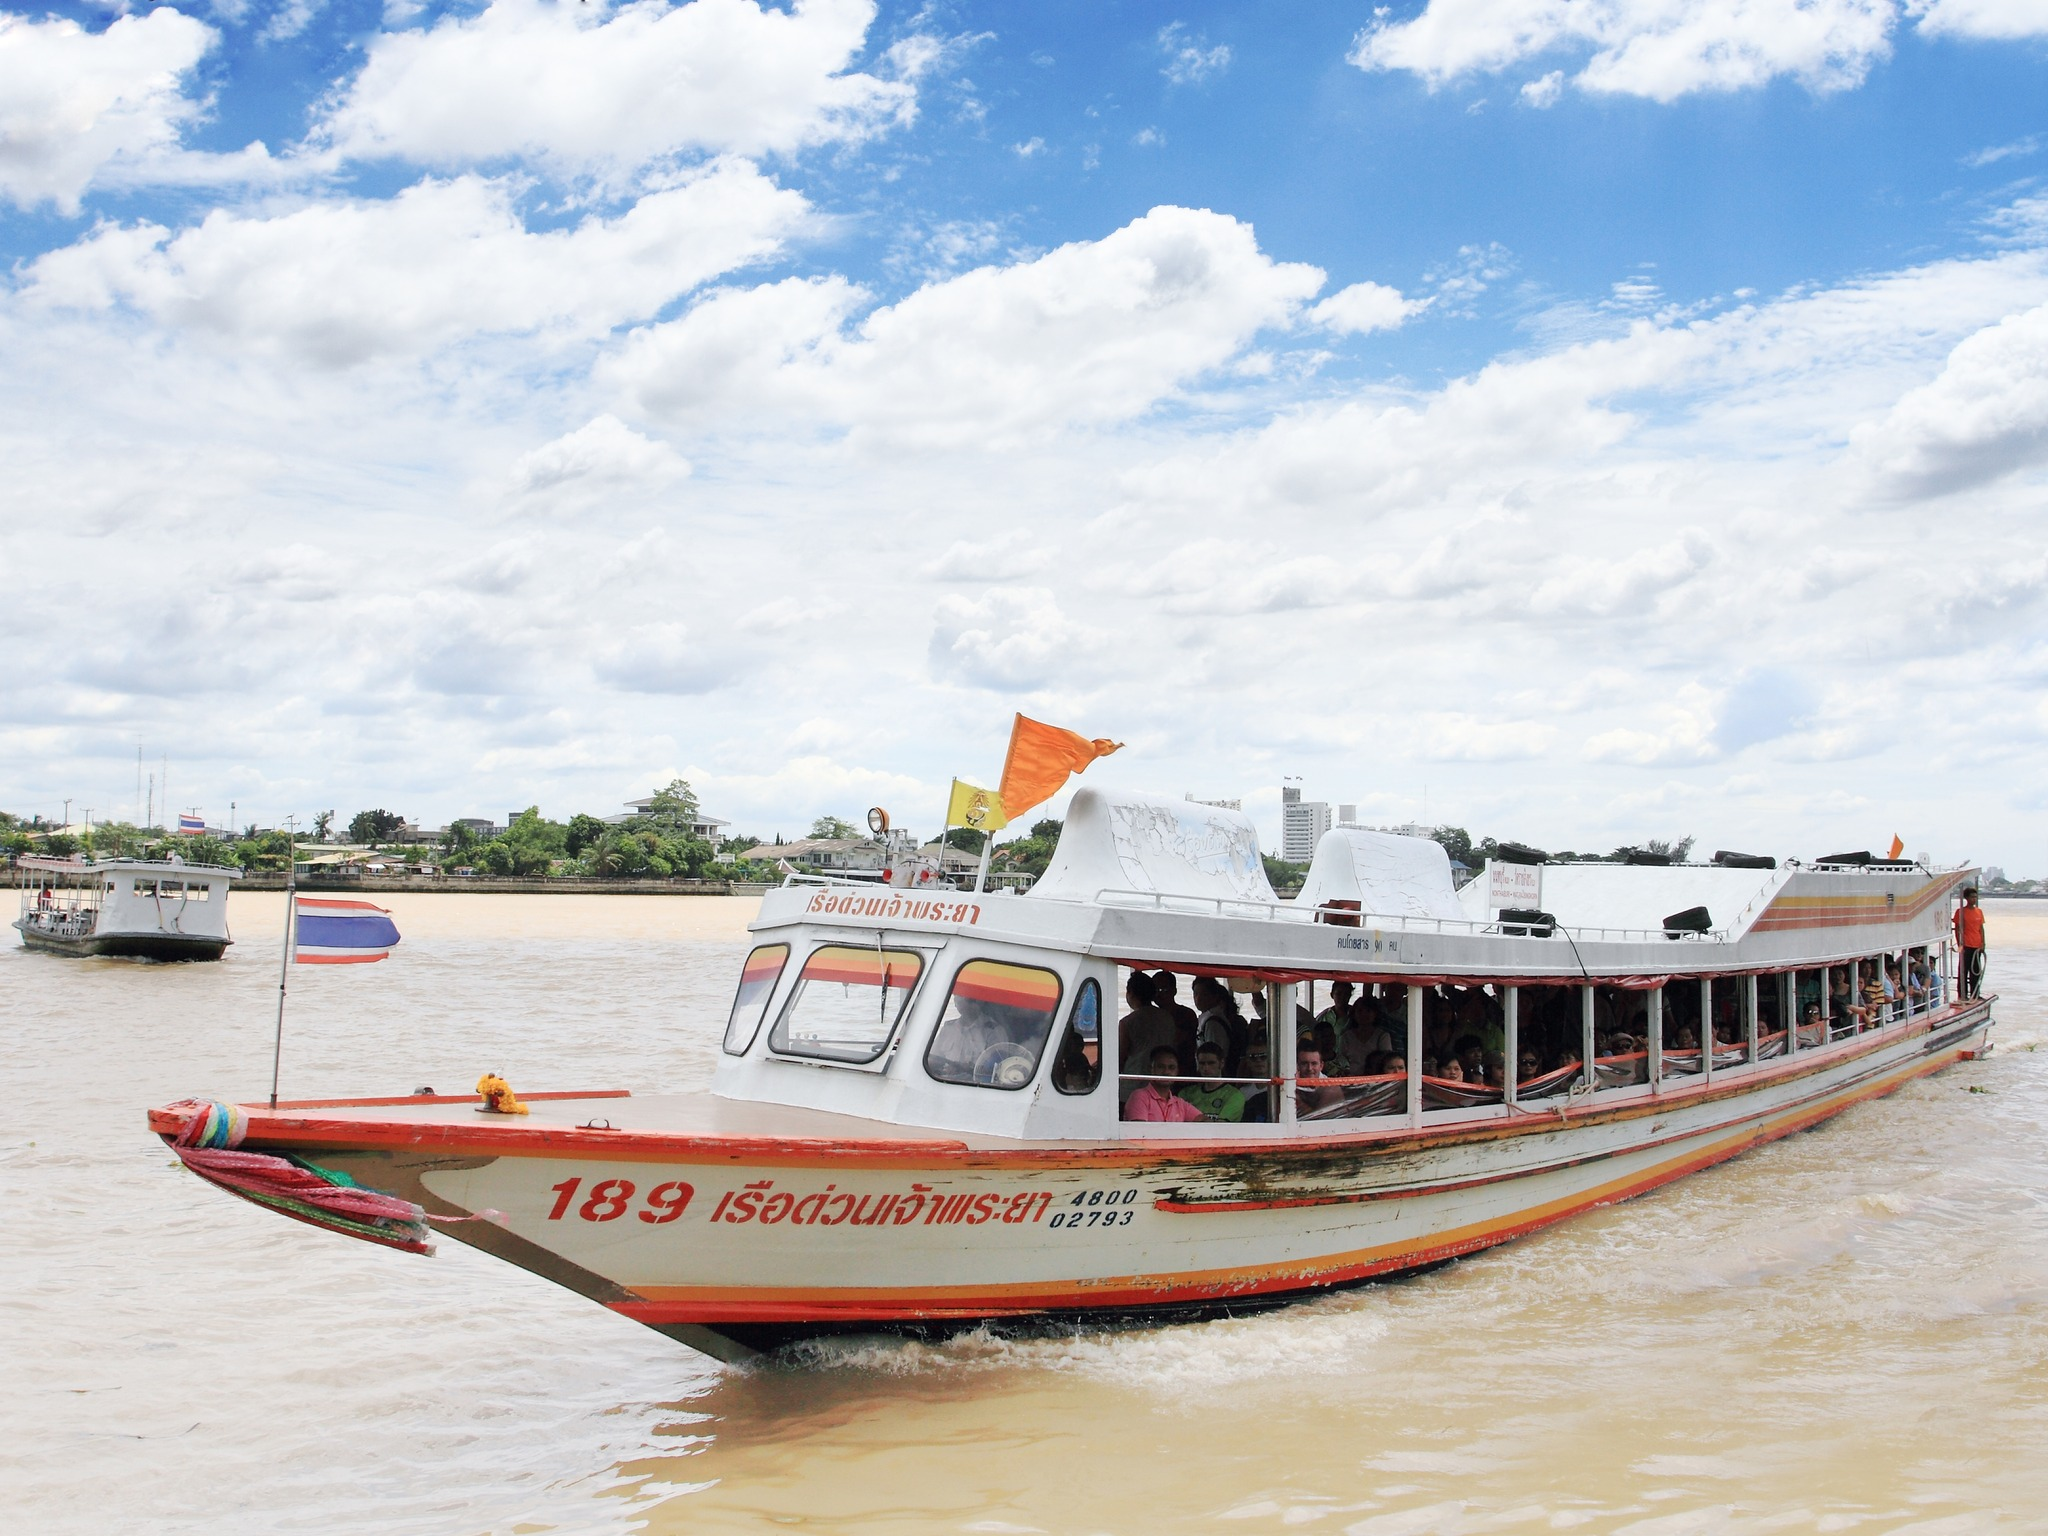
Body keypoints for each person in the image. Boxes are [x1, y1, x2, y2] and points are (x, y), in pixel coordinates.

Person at [1123, 1046, 1203, 1122]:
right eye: (1161, 1067)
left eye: (1171, 1067)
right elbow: (1140, 1132)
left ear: (1177, 1071)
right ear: (1151, 1069)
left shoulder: (1179, 1103)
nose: (1166, 1072)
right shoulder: (1139, 1096)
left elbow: (1205, 1121)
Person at [1178, 1044, 1245, 1122]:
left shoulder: (1234, 1095)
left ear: (1222, 1063)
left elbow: (1220, 1126)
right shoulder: (1186, 1093)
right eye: (1202, 1063)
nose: (1206, 1068)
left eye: (1211, 1063)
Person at [1295, 1041, 1344, 1115]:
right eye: (1304, 1063)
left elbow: (1317, 1118)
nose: (1309, 1068)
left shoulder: (1331, 1087)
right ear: (1297, 1065)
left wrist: (1294, 1097)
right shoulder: (1290, 1084)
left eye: (1314, 1063)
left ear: (1321, 1066)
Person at [1955, 887, 1986, 1000]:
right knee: (1963, 971)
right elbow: (1958, 928)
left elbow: (1981, 928)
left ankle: (1975, 993)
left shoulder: (1979, 911)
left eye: (1975, 897)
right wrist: (1960, 944)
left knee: (1976, 972)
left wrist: (1983, 943)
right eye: (1972, 897)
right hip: (1966, 945)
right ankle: (1962, 994)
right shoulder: (1961, 912)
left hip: (1977, 946)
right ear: (1966, 898)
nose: (1974, 899)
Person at [1240, 1040, 1273, 1122]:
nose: (1258, 1060)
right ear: (1247, 1061)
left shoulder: (1279, 1089)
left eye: (1263, 1056)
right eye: (1253, 1057)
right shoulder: (1242, 1092)